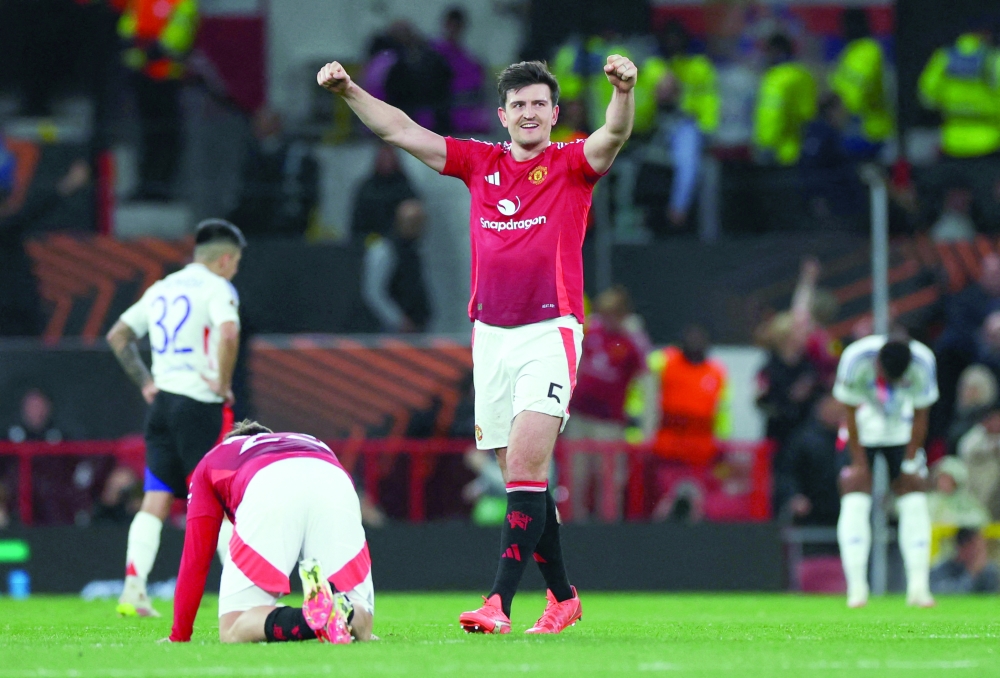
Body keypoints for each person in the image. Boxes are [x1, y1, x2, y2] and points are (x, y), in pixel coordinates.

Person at [318, 48, 638, 634]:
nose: (530, 113)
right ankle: (563, 597)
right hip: (489, 335)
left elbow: (614, 134)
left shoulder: (571, 164)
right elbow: (401, 129)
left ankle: (498, 603)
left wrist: (622, 91)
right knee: (522, 478)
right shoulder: (478, 164)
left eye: (540, 103)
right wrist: (348, 93)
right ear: (503, 114)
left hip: (549, 328)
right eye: (519, 104)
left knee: (523, 463)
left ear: (555, 111)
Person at [106, 219, 244, 617]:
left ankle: (133, 589)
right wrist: (222, 382)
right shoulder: (218, 288)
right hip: (198, 404)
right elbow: (230, 332)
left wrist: (147, 383)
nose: (234, 270)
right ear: (224, 259)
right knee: (219, 497)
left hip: (162, 405)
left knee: (154, 499)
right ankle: (246, 589)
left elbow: (117, 335)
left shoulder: (161, 289)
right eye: (235, 263)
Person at [168, 420, 375, 643]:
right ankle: (341, 610)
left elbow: (196, 558)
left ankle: (308, 619)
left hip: (267, 481)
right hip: (335, 481)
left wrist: (179, 635)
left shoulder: (213, 459)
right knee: (361, 620)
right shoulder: (310, 439)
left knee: (234, 626)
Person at [833, 334, 939, 608]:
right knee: (855, 496)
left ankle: (918, 588)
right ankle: (856, 589)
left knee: (914, 496)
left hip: (901, 429)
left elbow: (921, 415)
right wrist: (858, 463)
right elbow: (849, 412)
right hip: (863, 428)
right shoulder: (855, 359)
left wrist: (909, 462)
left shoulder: (923, 361)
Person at [564, 286, 645, 522]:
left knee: (609, 480)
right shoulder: (590, 331)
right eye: (604, 313)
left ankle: (608, 530)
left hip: (609, 423)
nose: (607, 319)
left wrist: (644, 426)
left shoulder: (632, 341)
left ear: (623, 315)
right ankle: (572, 526)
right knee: (575, 477)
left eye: (613, 314)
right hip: (580, 416)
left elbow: (645, 378)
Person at [118, 0, 199, 201]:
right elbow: (125, 30)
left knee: (167, 135)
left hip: (168, 80)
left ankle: (162, 186)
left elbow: (175, 41)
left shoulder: (184, 3)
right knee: (146, 134)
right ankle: (146, 184)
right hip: (142, 79)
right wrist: (135, 53)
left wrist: (144, 54)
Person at [228, 108, 318, 238]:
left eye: (264, 122)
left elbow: (304, 189)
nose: (258, 127)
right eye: (257, 122)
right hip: (254, 216)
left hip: (285, 217)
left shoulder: (295, 153)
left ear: (277, 125)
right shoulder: (249, 151)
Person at [919, 24, 1000, 160]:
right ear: (986, 34)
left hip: (951, 139)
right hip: (989, 141)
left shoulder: (944, 57)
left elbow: (927, 96)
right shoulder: (994, 59)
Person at [828, 8, 893, 159]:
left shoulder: (867, 51)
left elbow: (854, 95)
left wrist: (834, 114)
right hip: (854, 126)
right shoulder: (852, 51)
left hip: (865, 128)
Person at [361, 199, 431, 333]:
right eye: (411, 221)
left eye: (419, 222)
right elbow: (373, 292)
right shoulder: (384, 250)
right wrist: (398, 320)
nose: (417, 227)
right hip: (392, 329)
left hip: (417, 326)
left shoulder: (414, 250)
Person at [775, 395, 843, 526]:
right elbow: (787, 472)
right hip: (812, 512)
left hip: (842, 508)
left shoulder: (851, 440)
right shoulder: (803, 439)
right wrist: (793, 496)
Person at [753, 33, 817, 166]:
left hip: (783, 153)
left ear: (776, 51)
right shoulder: (801, 75)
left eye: (768, 52)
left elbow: (771, 116)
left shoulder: (787, 77)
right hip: (781, 150)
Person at [431, 7, 491, 134]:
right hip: (441, 115)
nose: (454, 29)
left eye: (457, 26)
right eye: (451, 25)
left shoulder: (469, 58)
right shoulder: (433, 52)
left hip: (465, 119)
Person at [351, 145, 418, 241]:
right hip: (369, 239)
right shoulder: (367, 186)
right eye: (383, 157)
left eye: (389, 157)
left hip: (398, 241)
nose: (386, 161)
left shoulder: (404, 185)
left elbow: (413, 206)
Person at [957, 403, 1000, 521]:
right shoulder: (975, 436)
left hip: (995, 489)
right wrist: (991, 450)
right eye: (995, 419)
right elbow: (967, 451)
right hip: (975, 484)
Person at [930, 528, 1000, 594]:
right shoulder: (942, 570)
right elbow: (942, 592)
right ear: (961, 548)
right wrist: (971, 574)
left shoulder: (990, 570)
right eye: (977, 549)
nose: (980, 555)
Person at [927, 456, 990, 528]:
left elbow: (981, 519)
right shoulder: (930, 500)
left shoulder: (966, 501)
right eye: (941, 477)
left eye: (948, 478)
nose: (943, 482)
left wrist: (956, 521)